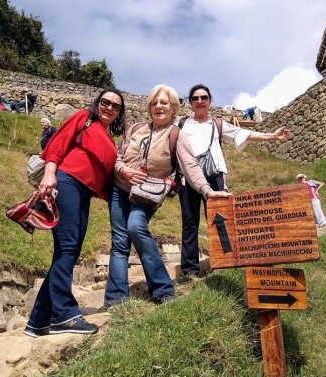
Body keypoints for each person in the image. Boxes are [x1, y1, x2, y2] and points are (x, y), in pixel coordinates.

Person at [104, 84, 231, 309]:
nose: (158, 106)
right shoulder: (136, 128)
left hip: (147, 193)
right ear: (149, 107)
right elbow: (118, 155)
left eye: (164, 103)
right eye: (154, 103)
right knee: (120, 242)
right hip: (120, 189)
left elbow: (191, 167)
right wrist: (122, 170)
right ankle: (116, 301)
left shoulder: (176, 135)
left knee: (135, 226)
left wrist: (208, 191)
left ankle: (163, 290)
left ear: (173, 108)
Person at [23, 88, 126, 338]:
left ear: (120, 113)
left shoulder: (110, 142)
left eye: (115, 106)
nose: (109, 108)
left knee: (70, 250)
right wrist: (49, 173)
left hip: (84, 194)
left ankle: (38, 320)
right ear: (97, 103)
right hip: (66, 181)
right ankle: (64, 316)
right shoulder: (83, 118)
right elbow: (58, 143)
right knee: (67, 247)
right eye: (105, 102)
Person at [177, 84, 291, 280]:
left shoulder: (218, 124)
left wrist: (273, 136)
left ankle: (224, 263)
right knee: (190, 223)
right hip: (187, 178)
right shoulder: (182, 124)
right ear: (190, 103)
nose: (200, 101)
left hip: (214, 176)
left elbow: (243, 134)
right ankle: (189, 271)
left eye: (203, 97)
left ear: (209, 101)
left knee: (219, 222)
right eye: (195, 98)